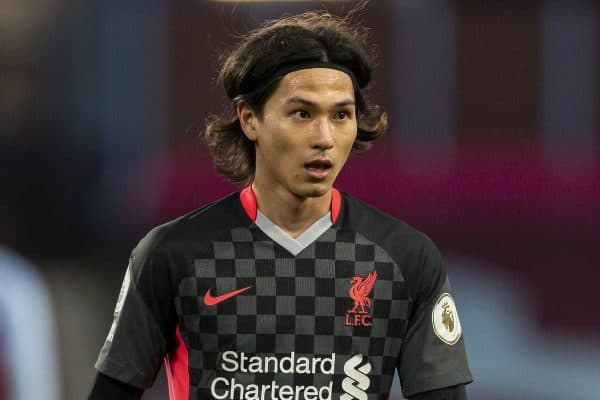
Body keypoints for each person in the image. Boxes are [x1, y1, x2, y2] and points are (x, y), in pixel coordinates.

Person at [89, 8, 472, 400]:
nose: (324, 137)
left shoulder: (406, 257)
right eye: (302, 113)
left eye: (341, 114)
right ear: (249, 118)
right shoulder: (172, 254)